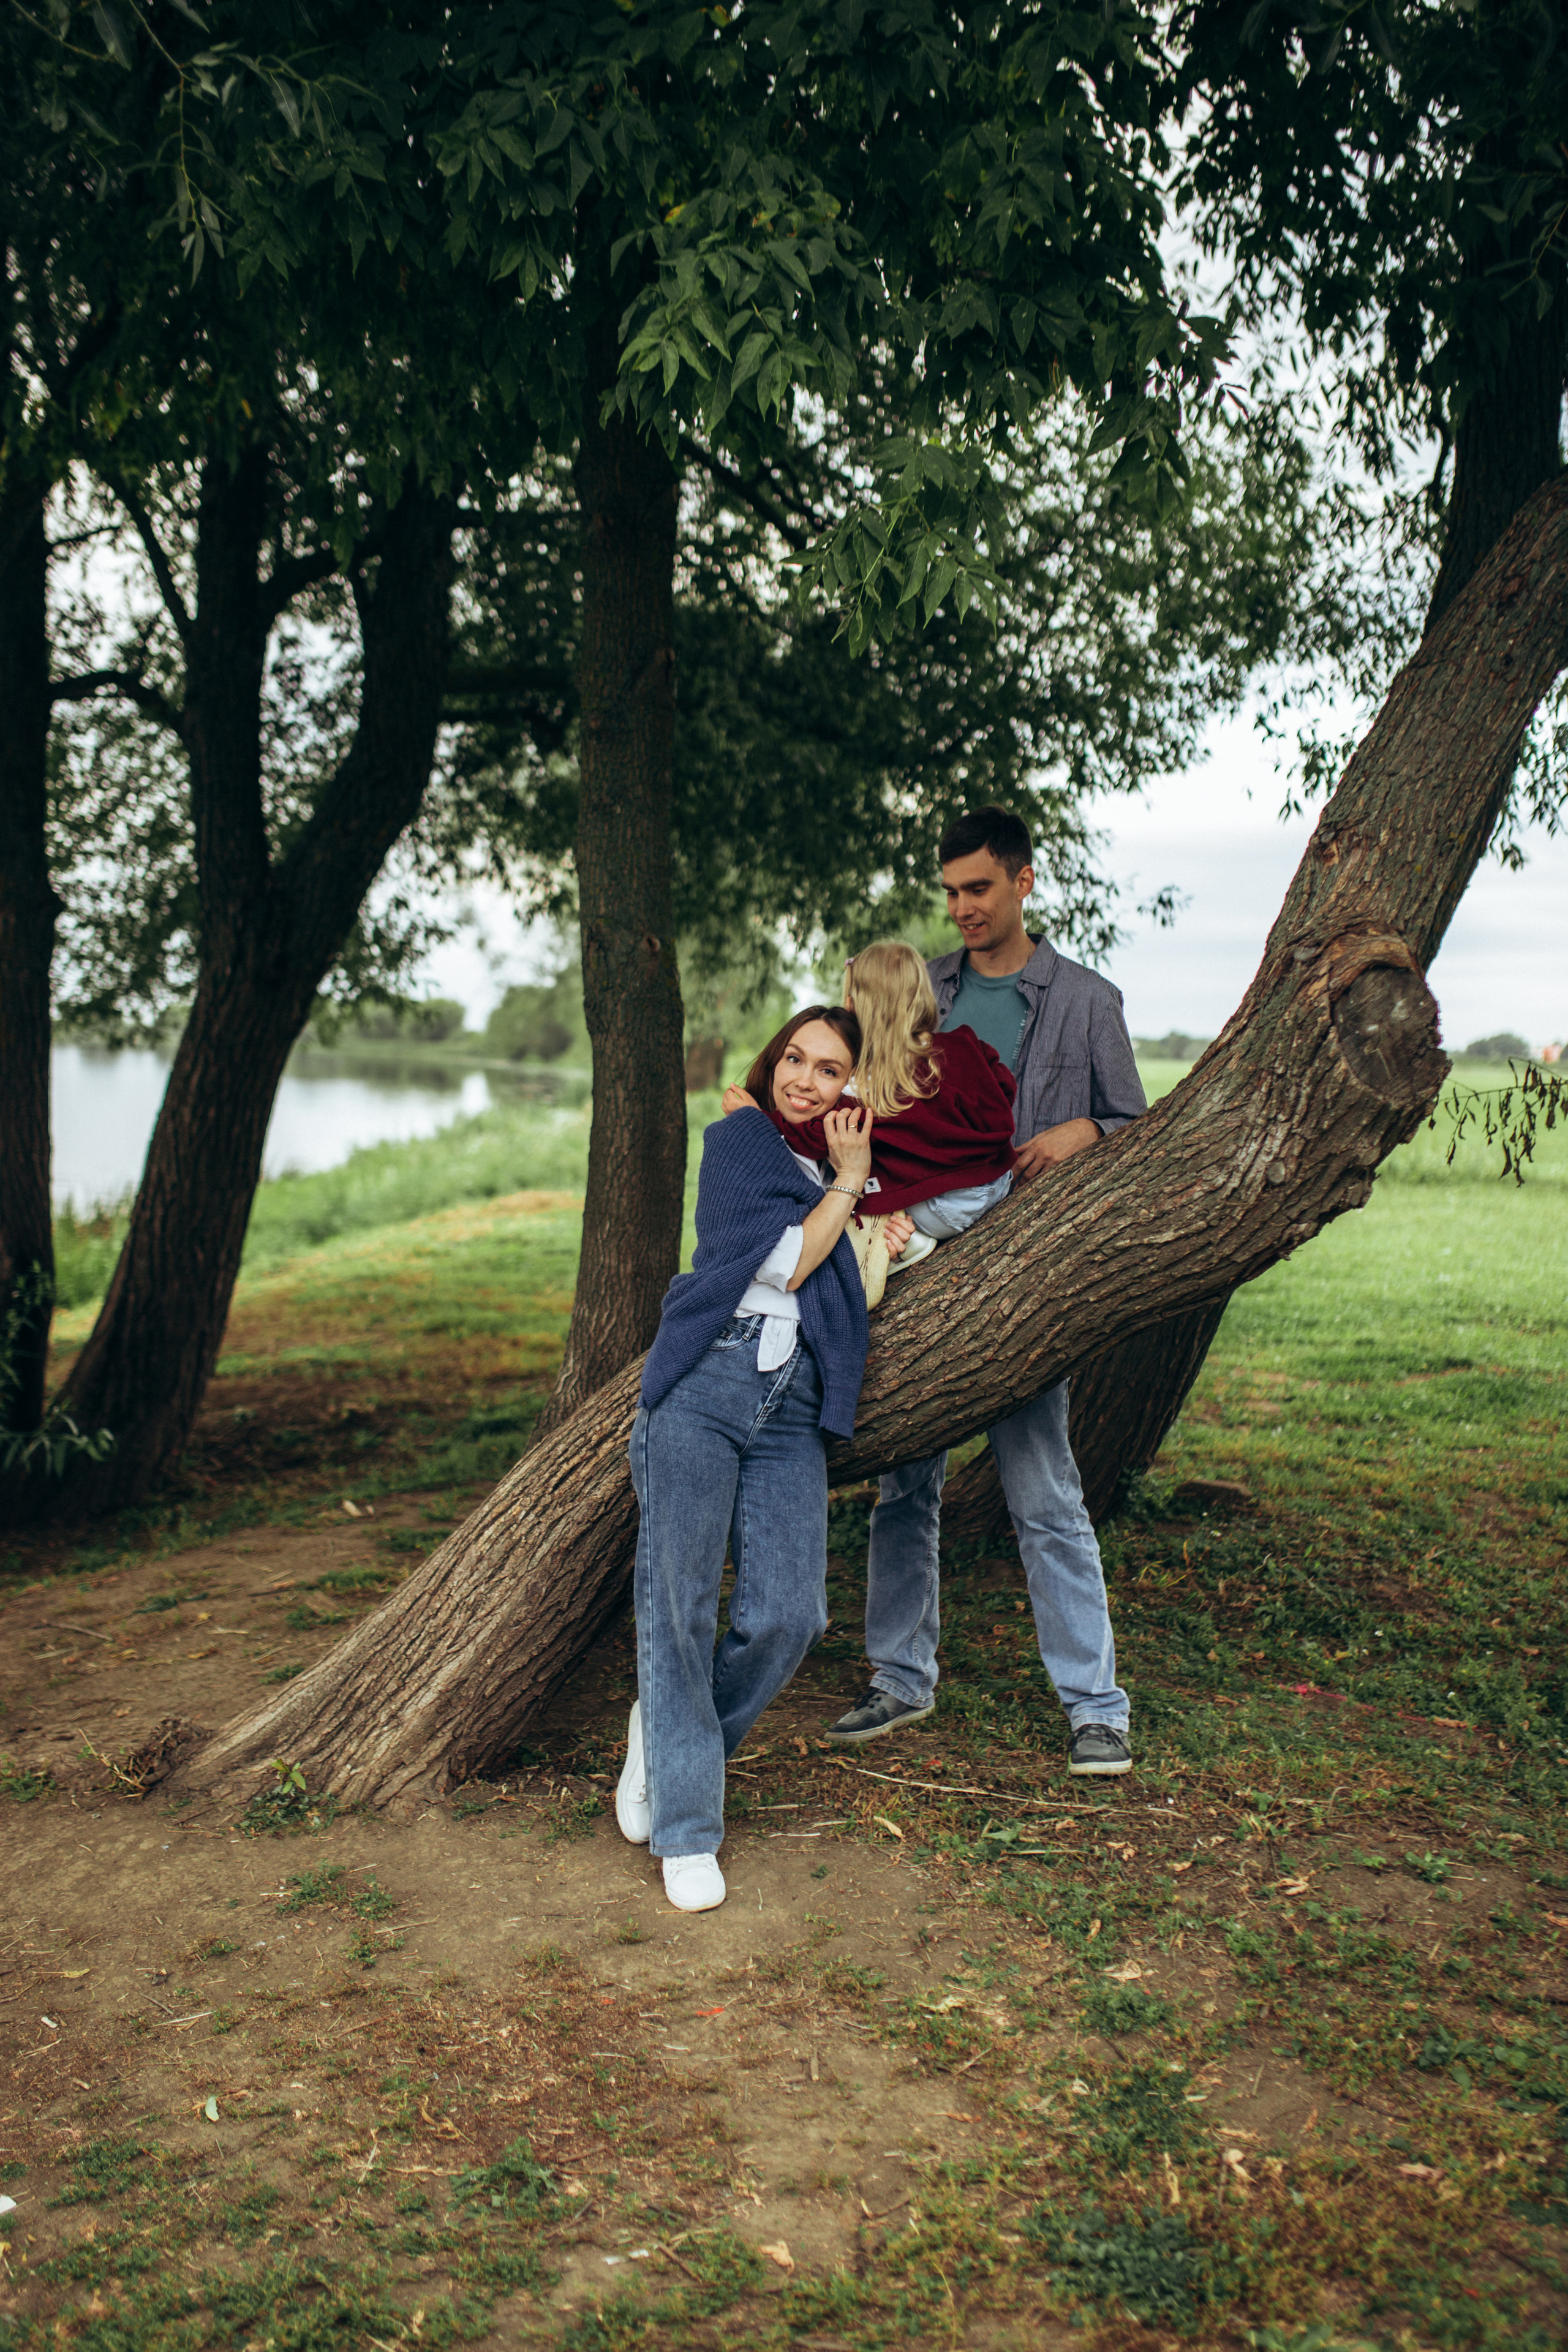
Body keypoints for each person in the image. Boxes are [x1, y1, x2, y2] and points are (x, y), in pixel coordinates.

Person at [826, 806, 1147, 1776]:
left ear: (1023, 882)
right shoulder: (922, 991)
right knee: (903, 1487)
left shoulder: (1086, 1000)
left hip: (1017, 1286)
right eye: (951, 891)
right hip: (915, 1270)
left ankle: (1096, 1708)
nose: (962, 907)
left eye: (979, 888)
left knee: (1045, 1492)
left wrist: (1082, 1133)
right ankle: (899, 1677)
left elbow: (1136, 1123)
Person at [616, 1006, 876, 1913]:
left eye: (829, 1069)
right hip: (710, 1380)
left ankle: (669, 1727)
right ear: (774, 1062)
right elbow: (782, 1268)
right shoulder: (741, 1139)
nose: (805, 1079)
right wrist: (850, 1184)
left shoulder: (818, 1169)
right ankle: (689, 1832)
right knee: (678, 1607)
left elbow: (852, 1271)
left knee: (790, 1615)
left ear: (852, 1088)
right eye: (795, 1058)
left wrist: (856, 1195)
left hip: (793, 1401)